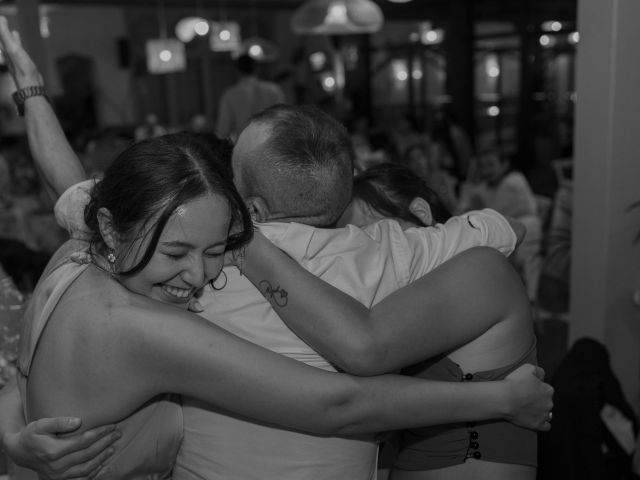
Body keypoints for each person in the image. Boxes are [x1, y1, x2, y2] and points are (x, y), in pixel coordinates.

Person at [0, 20, 552, 479]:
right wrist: (501, 401)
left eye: (214, 249)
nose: (197, 275)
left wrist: (14, 434)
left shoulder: (81, 253)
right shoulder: (149, 324)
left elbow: (66, 185)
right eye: (177, 253)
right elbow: (337, 404)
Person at [457, 149, 542, 300]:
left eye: (491, 165)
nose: (486, 170)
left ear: (504, 165)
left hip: (526, 235)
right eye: (482, 166)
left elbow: (505, 211)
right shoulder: (486, 187)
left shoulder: (513, 181)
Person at [216, 54, 286, 142]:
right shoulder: (274, 89)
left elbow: (223, 129)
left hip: (244, 146)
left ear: (237, 70)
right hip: (271, 145)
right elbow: (284, 120)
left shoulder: (230, 94)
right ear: (256, 68)